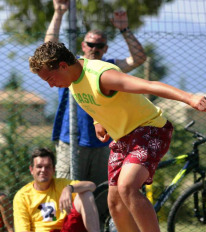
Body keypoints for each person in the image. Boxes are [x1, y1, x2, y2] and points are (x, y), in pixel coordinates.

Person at [28, 42, 206, 232]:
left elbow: (149, 85)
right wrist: (98, 122)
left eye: (50, 77)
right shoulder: (72, 82)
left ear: (63, 65)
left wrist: (190, 98)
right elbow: (94, 104)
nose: (50, 84)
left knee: (127, 187)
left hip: (150, 130)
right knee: (114, 201)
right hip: (123, 138)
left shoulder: (101, 76)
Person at [45, 0, 147, 185]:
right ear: (83, 45)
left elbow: (139, 58)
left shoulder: (109, 68)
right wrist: (59, 13)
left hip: (104, 142)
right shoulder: (70, 67)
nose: (94, 49)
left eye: (99, 46)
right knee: (68, 192)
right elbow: (47, 49)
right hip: (71, 140)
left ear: (105, 49)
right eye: (90, 44)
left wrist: (124, 30)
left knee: (100, 193)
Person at [4, 147, 106, 232]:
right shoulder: (22, 195)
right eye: (39, 166)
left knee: (85, 193)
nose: (43, 170)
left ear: (53, 170)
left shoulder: (62, 184)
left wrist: (69, 189)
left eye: (48, 167)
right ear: (31, 169)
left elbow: (91, 186)